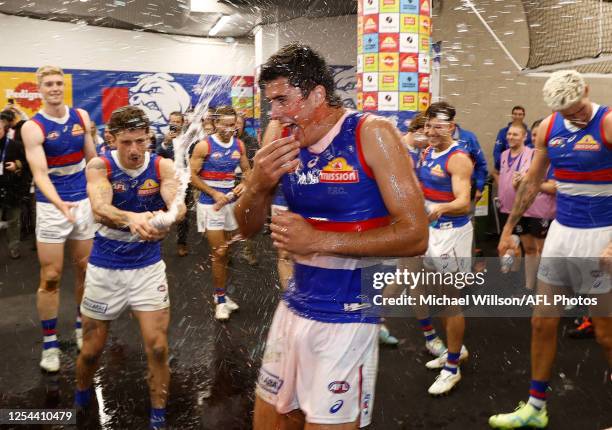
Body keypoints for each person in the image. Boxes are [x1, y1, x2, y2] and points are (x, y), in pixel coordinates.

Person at [234, 43, 428, 429]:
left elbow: (415, 234)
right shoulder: (281, 136)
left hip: (349, 316)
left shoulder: (370, 133)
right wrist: (256, 186)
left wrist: (320, 241)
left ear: (317, 94)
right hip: (293, 306)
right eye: (269, 102)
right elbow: (246, 228)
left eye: (282, 100)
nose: (273, 113)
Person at [489, 70, 611, 428]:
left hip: (601, 234)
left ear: (586, 91)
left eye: (577, 108)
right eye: (567, 112)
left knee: (605, 333)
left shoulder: (606, 123)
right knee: (542, 322)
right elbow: (530, 184)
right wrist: (508, 231)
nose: (575, 116)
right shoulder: (548, 129)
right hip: (563, 233)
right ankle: (536, 407)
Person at [75, 106, 184, 430]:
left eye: (140, 141)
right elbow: (100, 207)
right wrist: (133, 218)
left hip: (147, 268)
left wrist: (167, 218)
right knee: (92, 351)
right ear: (112, 139)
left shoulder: (161, 165)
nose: (135, 150)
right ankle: (81, 393)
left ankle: (158, 416)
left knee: (159, 346)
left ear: (149, 137)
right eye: (126, 143)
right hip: (105, 268)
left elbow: (176, 204)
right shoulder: (100, 165)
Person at [21, 65, 97, 372]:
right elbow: (40, 175)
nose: (54, 88)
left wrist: (102, 192)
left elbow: (93, 160)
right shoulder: (32, 127)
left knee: (85, 270)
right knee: (50, 276)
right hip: (52, 204)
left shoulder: (81, 117)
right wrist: (60, 204)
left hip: (83, 200)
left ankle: (80, 325)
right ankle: (50, 343)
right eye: (48, 84)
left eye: (58, 83)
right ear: (39, 89)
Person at [414, 102, 473, 395]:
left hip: (453, 235)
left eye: (438, 126)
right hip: (432, 232)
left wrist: (441, 207)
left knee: (451, 300)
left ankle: (453, 368)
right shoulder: (426, 152)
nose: (431, 131)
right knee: (438, 295)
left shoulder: (458, 158)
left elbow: (464, 201)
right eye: (428, 126)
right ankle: (455, 350)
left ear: (450, 126)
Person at [190, 105, 251, 321]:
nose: (229, 129)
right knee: (220, 252)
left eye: (232, 125)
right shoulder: (203, 146)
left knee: (228, 254)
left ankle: (221, 295)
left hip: (230, 205)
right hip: (210, 205)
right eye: (224, 124)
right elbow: (193, 177)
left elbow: (247, 173)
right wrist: (215, 193)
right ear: (215, 124)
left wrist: (242, 186)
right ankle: (221, 300)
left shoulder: (239, 144)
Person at [498, 121, 556, 290]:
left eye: (540, 135)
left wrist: (528, 182)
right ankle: (529, 288)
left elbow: (553, 187)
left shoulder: (550, 158)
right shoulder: (527, 156)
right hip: (525, 210)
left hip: (544, 212)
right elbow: (523, 186)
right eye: (535, 135)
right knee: (530, 249)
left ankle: (546, 290)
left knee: (545, 253)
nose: (536, 138)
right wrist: (520, 184)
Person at [155, 111, 192, 257]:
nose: (174, 124)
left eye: (177, 121)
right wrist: (165, 143)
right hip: (167, 181)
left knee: (184, 214)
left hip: (184, 180)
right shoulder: (162, 139)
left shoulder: (188, 139)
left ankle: (181, 243)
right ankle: (156, 241)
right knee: (162, 212)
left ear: (182, 123)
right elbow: (156, 156)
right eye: (172, 121)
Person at [0, 114, 28, 258]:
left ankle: (14, 247)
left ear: (4, 129)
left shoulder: (14, 145)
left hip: (12, 189)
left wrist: (17, 165)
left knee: (14, 221)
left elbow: (26, 163)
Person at [235, 114, 258, 265]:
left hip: (244, 182)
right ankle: (227, 253)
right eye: (232, 123)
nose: (235, 126)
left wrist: (246, 181)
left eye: (238, 123)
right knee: (226, 220)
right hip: (226, 183)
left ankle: (247, 252)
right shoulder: (219, 141)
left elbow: (256, 164)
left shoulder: (251, 141)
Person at [492, 105, 533, 179]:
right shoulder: (502, 132)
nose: (517, 116)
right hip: (505, 169)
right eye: (515, 114)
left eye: (520, 114)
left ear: (523, 116)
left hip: (522, 172)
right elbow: (497, 152)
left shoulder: (529, 134)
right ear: (512, 115)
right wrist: (502, 167)